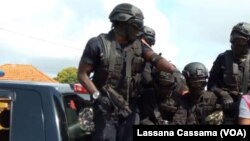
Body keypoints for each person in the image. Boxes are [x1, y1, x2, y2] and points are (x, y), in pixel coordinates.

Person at [77, 3, 176, 141]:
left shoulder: (139, 46)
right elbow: (82, 74)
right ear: (122, 22)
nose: (139, 29)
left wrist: (156, 58)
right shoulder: (97, 44)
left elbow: (167, 67)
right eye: (136, 25)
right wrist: (98, 96)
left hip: (130, 108)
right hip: (106, 108)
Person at [207, 22, 250, 124]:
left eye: (239, 41)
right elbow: (211, 84)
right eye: (233, 39)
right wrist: (224, 94)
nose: (234, 43)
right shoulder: (222, 58)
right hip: (225, 106)